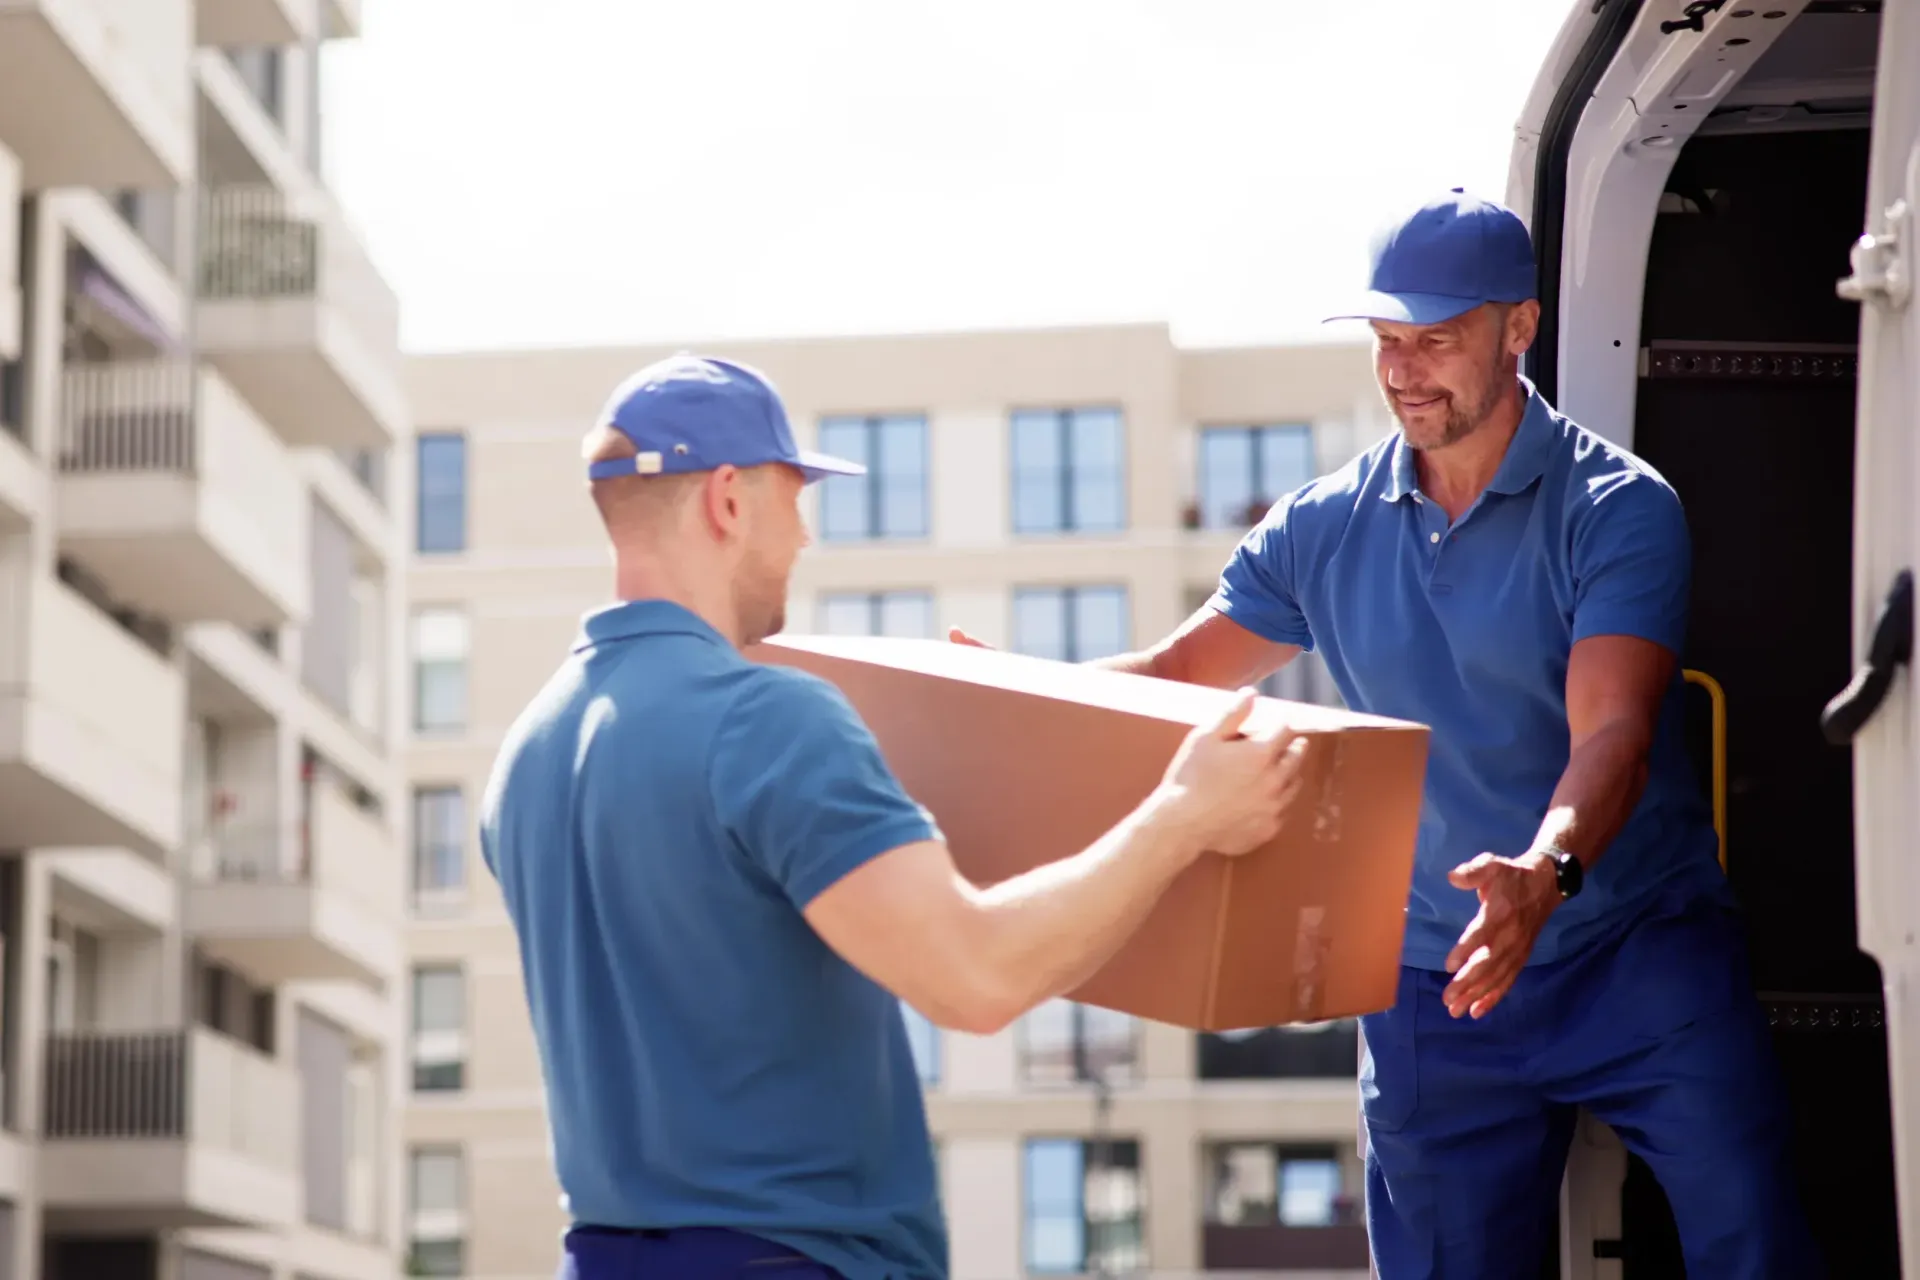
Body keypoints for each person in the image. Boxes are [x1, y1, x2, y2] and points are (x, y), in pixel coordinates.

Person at [953, 190, 1822, 1277]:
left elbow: (1614, 733)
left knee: (1757, 1244)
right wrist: (1008, 694)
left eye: (1437, 339)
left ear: (1519, 328)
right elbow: (1178, 675)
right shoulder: (1323, 524)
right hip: (1433, 982)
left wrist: (1544, 871)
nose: (1406, 369)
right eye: (1387, 342)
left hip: (1633, 953)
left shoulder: (1616, 506)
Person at [477, 353, 1311, 1280]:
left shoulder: (528, 752)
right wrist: (1183, 817)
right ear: (726, 500)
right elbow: (975, 980)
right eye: (795, 499)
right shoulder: (769, 717)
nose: (801, 539)